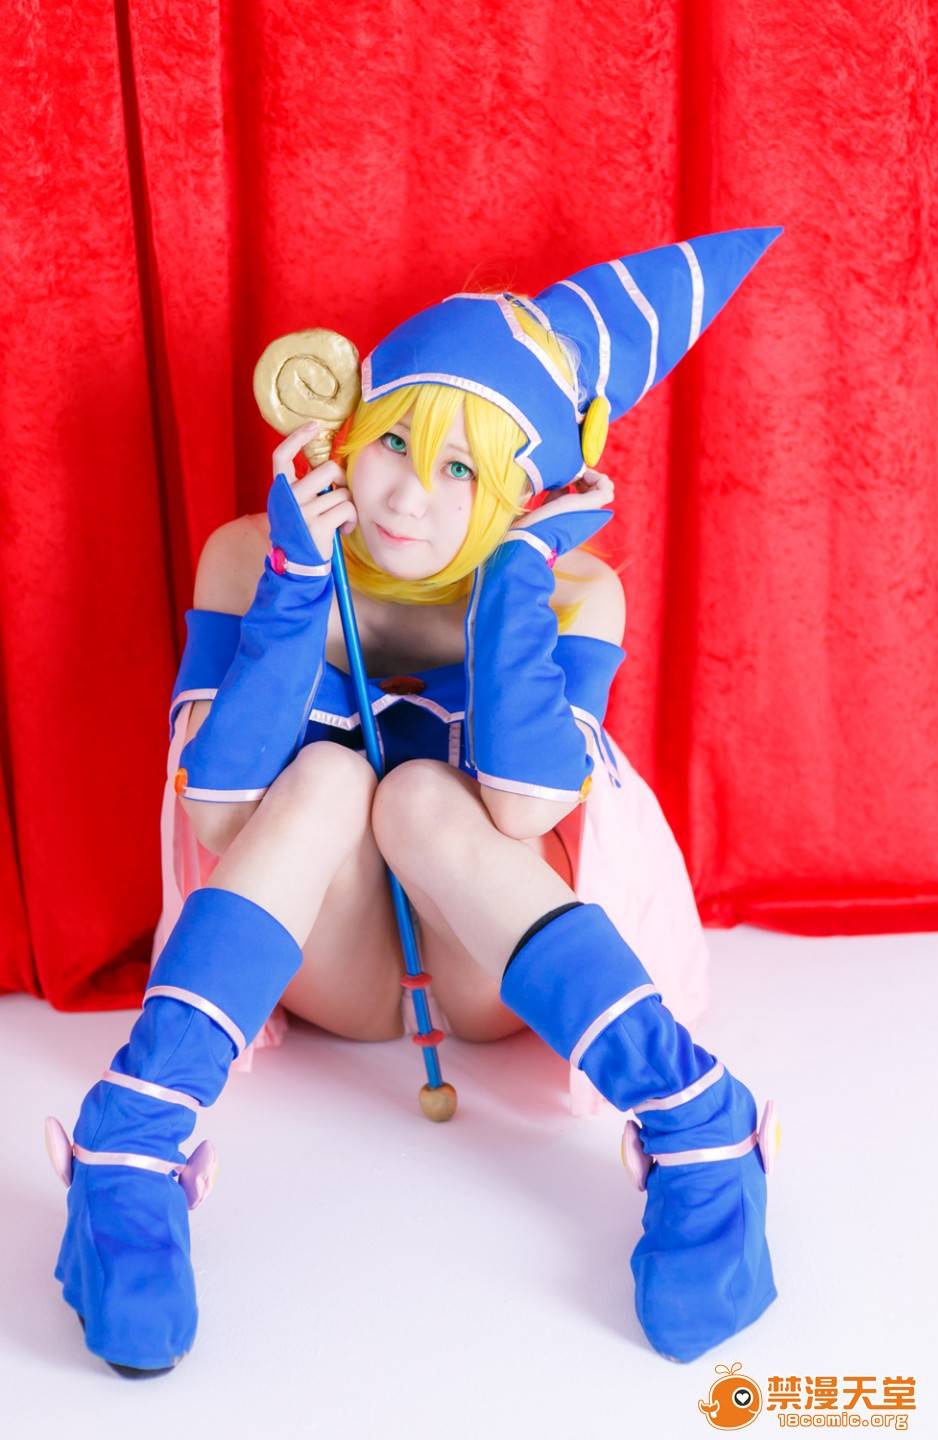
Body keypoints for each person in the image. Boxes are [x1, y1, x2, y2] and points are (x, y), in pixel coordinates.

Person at [46, 228, 783, 1376]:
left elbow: (526, 809)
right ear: (351, 425)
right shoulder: (251, 553)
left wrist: (515, 584)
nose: (406, 495)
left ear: (523, 492)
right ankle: (134, 1142)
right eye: (395, 440)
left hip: (490, 973)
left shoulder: (577, 590)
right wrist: (296, 583)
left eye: (463, 471)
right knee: (333, 775)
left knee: (425, 800)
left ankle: (699, 1125)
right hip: (332, 969)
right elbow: (221, 816)